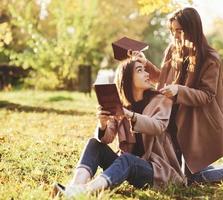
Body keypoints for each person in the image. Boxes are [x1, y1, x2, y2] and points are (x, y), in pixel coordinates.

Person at [136, 7, 223, 183]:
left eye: (179, 31)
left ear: (192, 29)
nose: (175, 36)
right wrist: (146, 64)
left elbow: (207, 95)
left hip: (195, 122)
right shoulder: (173, 50)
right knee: (180, 174)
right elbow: (165, 81)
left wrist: (179, 90)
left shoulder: (210, 58)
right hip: (172, 118)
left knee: (191, 178)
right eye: (173, 31)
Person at [52, 59, 186, 198]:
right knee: (94, 143)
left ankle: (85, 191)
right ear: (127, 78)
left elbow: (158, 126)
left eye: (145, 69)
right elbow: (107, 138)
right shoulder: (120, 105)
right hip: (130, 167)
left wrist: (130, 115)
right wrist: (103, 124)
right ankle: (74, 188)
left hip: (158, 171)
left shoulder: (161, 99)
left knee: (128, 159)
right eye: (140, 70)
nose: (147, 74)